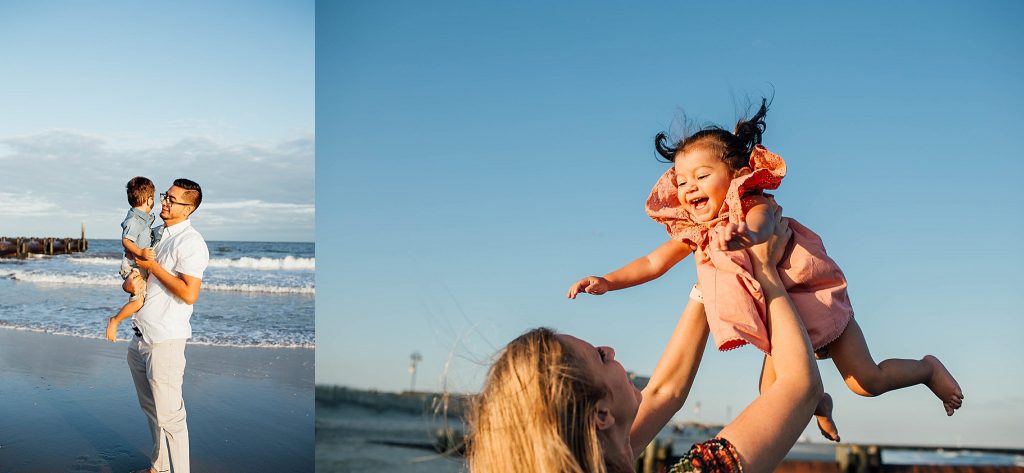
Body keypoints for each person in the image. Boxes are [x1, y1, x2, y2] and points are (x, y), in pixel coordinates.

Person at [567, 99, 963, 442]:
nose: (690, 188)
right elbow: (653, 263)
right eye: (682, 181)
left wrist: (743, 236)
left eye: (702, 177)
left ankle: (927, 369)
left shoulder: (751, 205)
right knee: (771, 397)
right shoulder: (697, 230)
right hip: (781, 326)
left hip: (816, 303)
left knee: (866, 382)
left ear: (736, 175)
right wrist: (608, 281)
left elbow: (762, 228)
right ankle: (819, 403)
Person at [470, 214, 821, 473]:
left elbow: (665, 392)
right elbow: (800, 388)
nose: (610, 349)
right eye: (600, 356)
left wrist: (710, 272)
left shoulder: (602, 456)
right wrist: (764, 269)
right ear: (602, 414)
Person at [123, 178, 209, 473]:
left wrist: (153, 267)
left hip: (166, 341)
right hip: (140, 336)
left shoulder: (191, 242)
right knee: (151, 411)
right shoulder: (157, 234)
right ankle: (158, 468)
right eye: (165, 196)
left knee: (171, 418)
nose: (164, 202)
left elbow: (189, 293)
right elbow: (140, 277)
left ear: (189, 208)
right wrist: (131, 280)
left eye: (172, 200)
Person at [106, 176, 161, 342]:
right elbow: (126, 240)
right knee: (138, 302)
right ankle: (115, 321)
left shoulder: (142, 218)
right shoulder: (134, 220)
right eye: (154, 198)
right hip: (133, 267)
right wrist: (141, 252)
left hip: (137, 265)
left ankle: (139, 326)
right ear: (149, 199)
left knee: (143, 301)